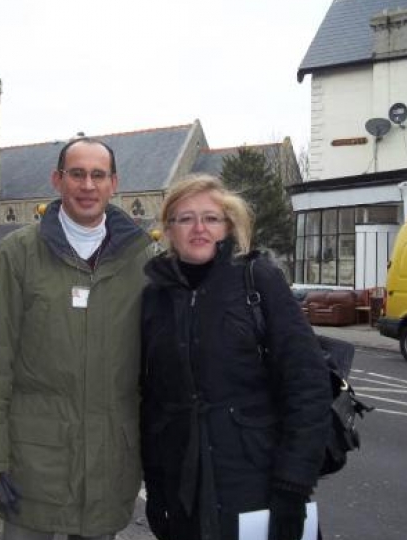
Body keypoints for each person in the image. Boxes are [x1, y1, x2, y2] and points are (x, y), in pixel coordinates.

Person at [0, 138, 153, 540]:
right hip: (33, 465)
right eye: (77, 174)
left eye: (98, 175)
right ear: (57, 180)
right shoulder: (17, 254)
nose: (88, 185)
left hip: (109, 464)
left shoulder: (142, 260)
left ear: (113, 184)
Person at [140, 175, 332, 540]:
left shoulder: (258, 281)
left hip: (257, 480)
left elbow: (307, 384)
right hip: (185, 489)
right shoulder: (155, 298)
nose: (199, 228)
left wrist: (293, 484)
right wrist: (157, 488)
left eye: (211, 218)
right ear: (168, 229)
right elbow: (153, 402)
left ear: (228, 226)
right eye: (185, 219)